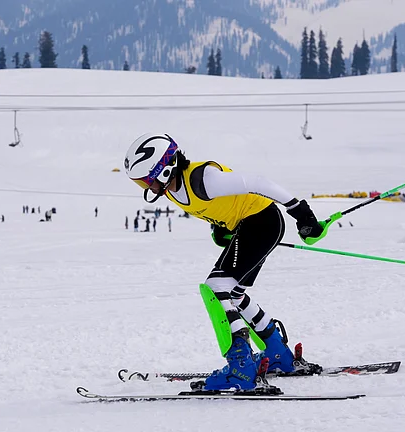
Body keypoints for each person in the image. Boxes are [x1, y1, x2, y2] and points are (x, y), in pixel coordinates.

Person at [123, 133, 323, 392]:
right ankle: (277, 355)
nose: (145, 188)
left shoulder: (203, 179)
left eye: (145, 181)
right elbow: (220, 207)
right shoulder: (173, 189)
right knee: (234, 293)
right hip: (248, 225)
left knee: (216, 288)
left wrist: (301, 213)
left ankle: (241, 367)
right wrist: (220, 227)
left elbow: (258, 182)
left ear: (164, 170)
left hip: (262, 222)